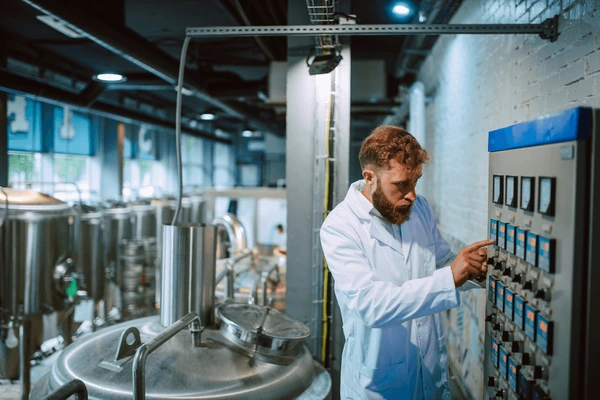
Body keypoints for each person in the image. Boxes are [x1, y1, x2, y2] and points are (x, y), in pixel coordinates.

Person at [320, 125, 493, 399]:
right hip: (380, 385)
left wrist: (471, 269)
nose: (412, 194)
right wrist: (449, 278)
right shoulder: (340, 227)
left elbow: (440, 263)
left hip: (429, 372)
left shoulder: (419, 208)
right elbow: (371, 305)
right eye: (401, 184)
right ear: (370, 177)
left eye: (416, 181)